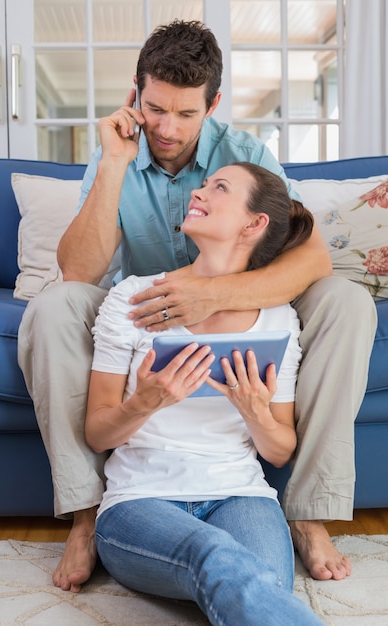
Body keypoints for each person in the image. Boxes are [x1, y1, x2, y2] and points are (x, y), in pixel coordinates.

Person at [17, 19, 377, 593]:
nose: (166, 127)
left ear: (212, 105)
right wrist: (114, 164)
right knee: (55, 305)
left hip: (235, 299)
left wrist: (211, 293)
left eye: (186, 114)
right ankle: (87, 515)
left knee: (348, 302)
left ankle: (307, 513)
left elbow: (310, 260)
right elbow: (79, 272)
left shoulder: (243, 155)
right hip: (134, 308)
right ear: (136, 91)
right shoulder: (115, 150)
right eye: (155, 108)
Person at [85, 160, 324, 625]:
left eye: (219, 188)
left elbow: (280, 451)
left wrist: (255, 413)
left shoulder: (278, 319)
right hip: (141, 499)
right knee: (217, 556)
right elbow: (97, 434)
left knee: (259, 584)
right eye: (204, 184)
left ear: (254, 224)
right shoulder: (134, 297)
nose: (198, 193)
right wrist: (143, 404)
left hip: (241, 495)